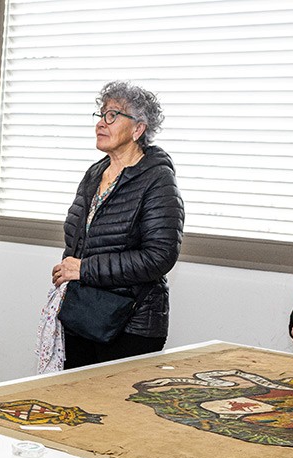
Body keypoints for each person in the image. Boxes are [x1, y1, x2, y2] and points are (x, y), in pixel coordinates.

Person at [50, 80, 184, 369]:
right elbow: (80, 241)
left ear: (138, 129)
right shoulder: (95, 173)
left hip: (132, 324)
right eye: (100, 114)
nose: (101, 123)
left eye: (112, 115)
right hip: (85, 314)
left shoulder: (157, 179)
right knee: (76, 408)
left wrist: (83, 269)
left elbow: (159, 257)